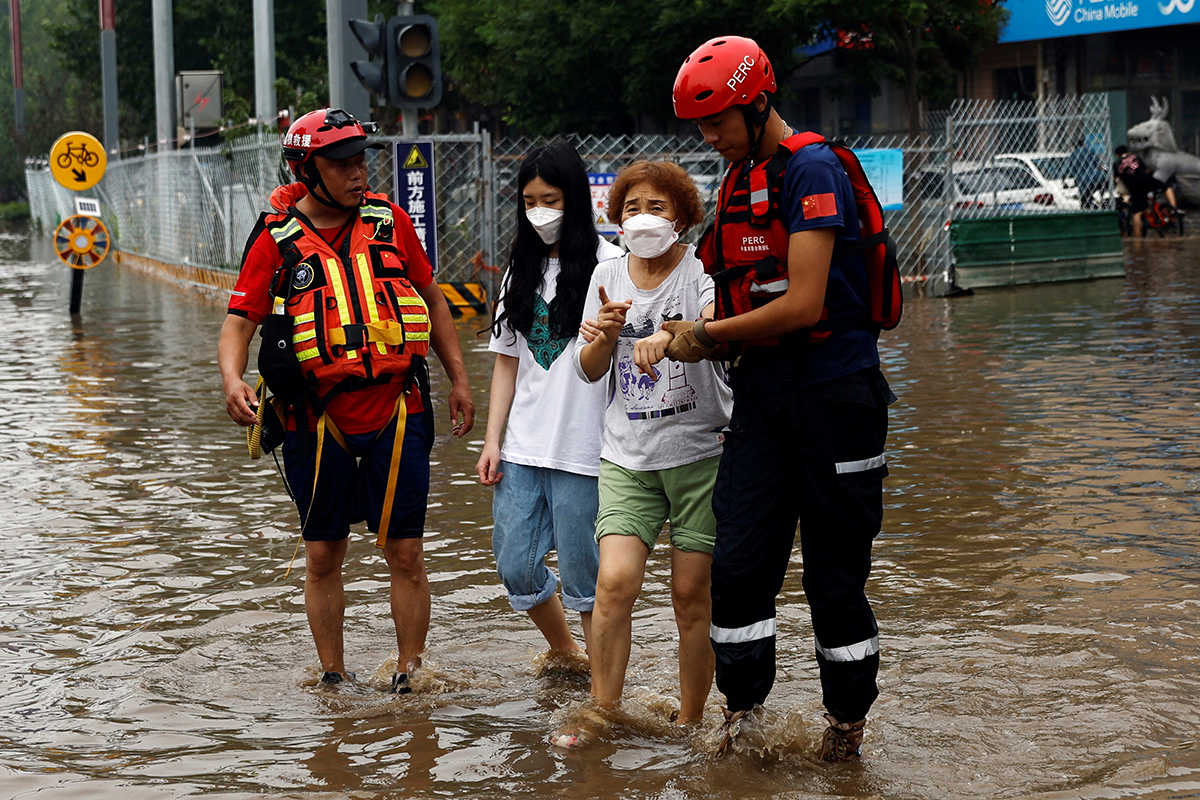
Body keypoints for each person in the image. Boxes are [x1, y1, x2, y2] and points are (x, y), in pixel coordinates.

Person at [667, 37, 896, 761]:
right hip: (763, 398)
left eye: (717, 121)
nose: (709, 138)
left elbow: (802, 303)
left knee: (834, 580)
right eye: (700, 126)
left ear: (756, 100)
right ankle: (743, 719)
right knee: (736, 568)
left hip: (836, 395)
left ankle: (846, 732)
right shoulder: (739, 179)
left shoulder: (813, 169)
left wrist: (704, 335)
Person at [218, 108, 475, 693]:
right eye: (342, 164)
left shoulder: (389, 220)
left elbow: (433, 302)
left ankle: (410, 676)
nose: (359, 173)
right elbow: (238, 323)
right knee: (323, 554)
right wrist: (232, 378)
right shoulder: (275, 241)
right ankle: (332, 676)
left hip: (398, 407)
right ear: (307, 170)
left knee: (406, 552)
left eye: (362, 160)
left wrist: (459, 379)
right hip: (316, 418)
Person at [554, 161, 732, 747]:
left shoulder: (700, 272)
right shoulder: (606, 273)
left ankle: (692, 721)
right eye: (631, 209)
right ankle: (602, 711)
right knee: (615, 582)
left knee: (690, 595)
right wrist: (605, 337)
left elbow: (715, 322)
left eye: (656, 207)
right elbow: (586, 369)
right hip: (627, 455)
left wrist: (672, 333)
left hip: (700, 453)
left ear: (681, 216)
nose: (643, 219)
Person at [475, 141, 622, 659]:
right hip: (522, 448)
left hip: (587, 451)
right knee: (516, 564)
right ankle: (567, 655)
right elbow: (507, 363)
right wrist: (491, 440)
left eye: (552, 199)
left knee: (587, 580)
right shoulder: (521, 269)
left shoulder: (612, 266)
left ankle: (603, 694)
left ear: (577, 199)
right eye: (530, 199)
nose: (540, 210)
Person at [1114, 144, 1177, 237]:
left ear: (1117, 155)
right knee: (1166, 187)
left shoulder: (1116, 165)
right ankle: (1174, 209)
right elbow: (1146, 170)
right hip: (1146, 181)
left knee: (1137, 213)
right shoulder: (1135, 157)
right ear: (1128, 152)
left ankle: (1138, 240)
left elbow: (1115, 179)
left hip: (1134, 188)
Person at [1066, 139, 1105, 210]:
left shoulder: (1073, 155)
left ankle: (1088, 211)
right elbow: (1099, 164)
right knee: (1099, 194)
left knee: (1085, 199)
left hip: (1084, 181)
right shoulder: (1090, 151)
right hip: (1098, 177)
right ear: (1083, 144)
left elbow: (1069, 169)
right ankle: (1101, 205)